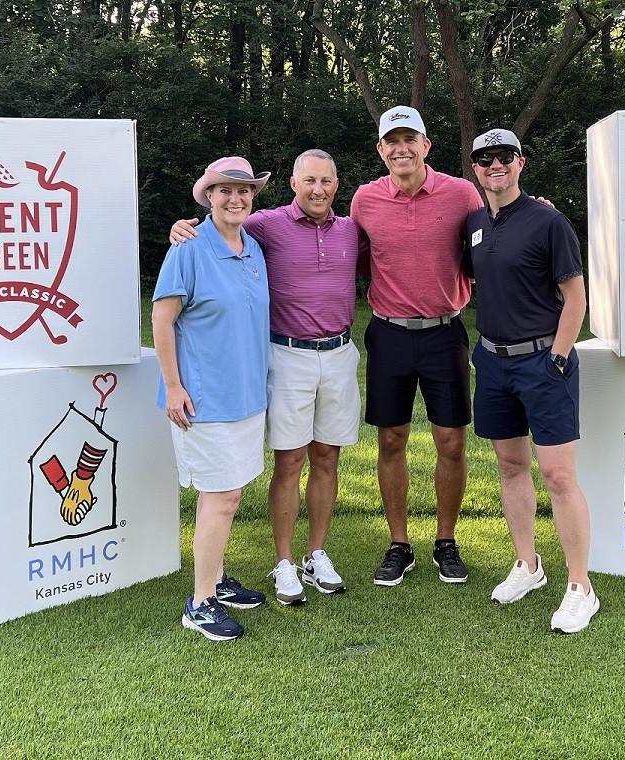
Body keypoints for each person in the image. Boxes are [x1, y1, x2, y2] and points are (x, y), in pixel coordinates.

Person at [169, 150, 364, 606]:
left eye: (327, 181)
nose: (318, 189)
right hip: (287, 354)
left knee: (328, 457)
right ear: (293, 185)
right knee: (290, 460)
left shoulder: (352, 230)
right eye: (309, 180)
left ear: (337, 185)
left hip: (339, 354)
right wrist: (185, 226)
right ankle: (283, 562)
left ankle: (317, 553)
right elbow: (218, 226)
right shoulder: (266, 225)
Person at [463, 128, 600, 634]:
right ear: (475, 167)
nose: (494, 165)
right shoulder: (475, 223)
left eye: (503, 157)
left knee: (559, 477)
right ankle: (529, 565)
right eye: (484, 159)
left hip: (545, 362)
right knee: (509, 465)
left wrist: (559, 359)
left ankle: (580, 587)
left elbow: (575, 298)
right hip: (494, 363)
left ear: (520, 162)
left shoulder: (549, 221)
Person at [350, 106, 485, 586]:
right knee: (391, 440)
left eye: (411, 139)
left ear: (427, 145)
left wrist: (543, 211)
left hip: (445, 332)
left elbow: (500, 228)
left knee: (451, 442)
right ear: (381, 149)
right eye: (392, 141)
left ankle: (446, 542)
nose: (401, 148)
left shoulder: (461, 193)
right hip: (387, 333)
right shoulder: (364, 200)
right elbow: (348, 251)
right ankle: (399, 544)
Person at [152, 156, 272, 641]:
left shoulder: (254, 247)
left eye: (244, 191)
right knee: (219, 497)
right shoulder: (188, 247)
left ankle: (217, 580)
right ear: (208, 196)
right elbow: (162, 319)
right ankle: (200, 603)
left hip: (244, 396)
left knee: (230, 492)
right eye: (225, 190)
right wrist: (174, 387)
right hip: (202, 400)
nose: (235, 198)